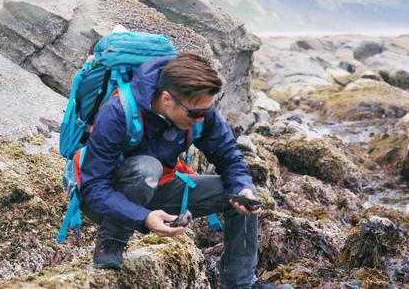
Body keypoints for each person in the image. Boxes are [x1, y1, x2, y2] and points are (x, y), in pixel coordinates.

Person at [79, 52, 285, 289]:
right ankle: (111, 243)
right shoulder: (117, 112)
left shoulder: (199, 109)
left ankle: (241, 283)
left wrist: (243, 188)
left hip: (161, 188)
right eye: (196, 114)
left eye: (206, 112)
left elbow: (229, 157)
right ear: (167, 99)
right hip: (109, 198)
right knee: (147, 168)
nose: (201, 120)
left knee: (240, 195)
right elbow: (93, 188)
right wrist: (144, 218)